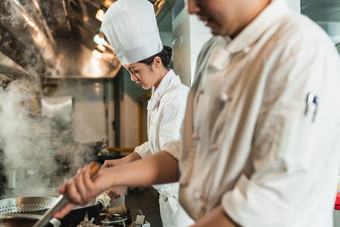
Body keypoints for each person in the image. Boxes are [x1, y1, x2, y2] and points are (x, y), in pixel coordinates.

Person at [54, 0, 340, 226]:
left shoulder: (299, 53)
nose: (190, 8)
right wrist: (108, 178)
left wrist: (123, 176)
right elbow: (189, 150)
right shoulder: (215, 51)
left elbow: (272, 199)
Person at [99, 0, 193, 226]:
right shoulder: (160, 95)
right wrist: (123, 162)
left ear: (156, 62)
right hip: (172, 205)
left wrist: (125, 178)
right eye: (129, 71)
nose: (132, 78)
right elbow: (158, 145)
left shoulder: (177, 99)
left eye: (135, 71)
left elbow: (172, 160)